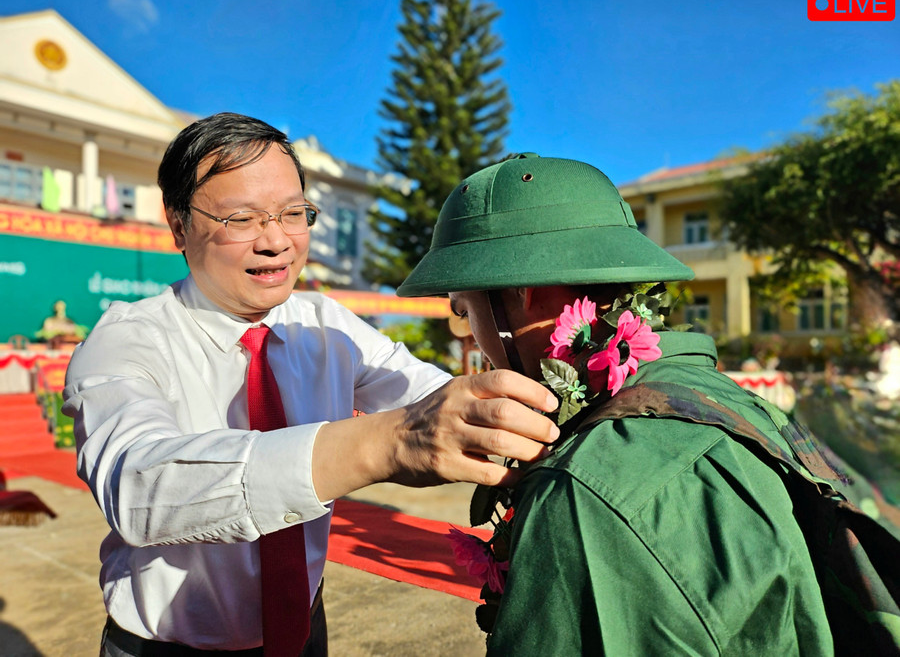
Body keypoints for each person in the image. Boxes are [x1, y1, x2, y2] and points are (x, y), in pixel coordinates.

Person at [63, 114, 559, 656]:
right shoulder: (127, 339)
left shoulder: (327, 324)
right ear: (179, 224)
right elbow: (138, 489)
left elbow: (428, 397)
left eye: (293, 214)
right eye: (241, 218)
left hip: (304, 632)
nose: (275, 241)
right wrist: (384, 444)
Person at [397, 153, 840, 654]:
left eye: (464, 310)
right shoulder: (723, 398)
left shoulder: (581, 492)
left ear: (526, 293)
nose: (473, 338)